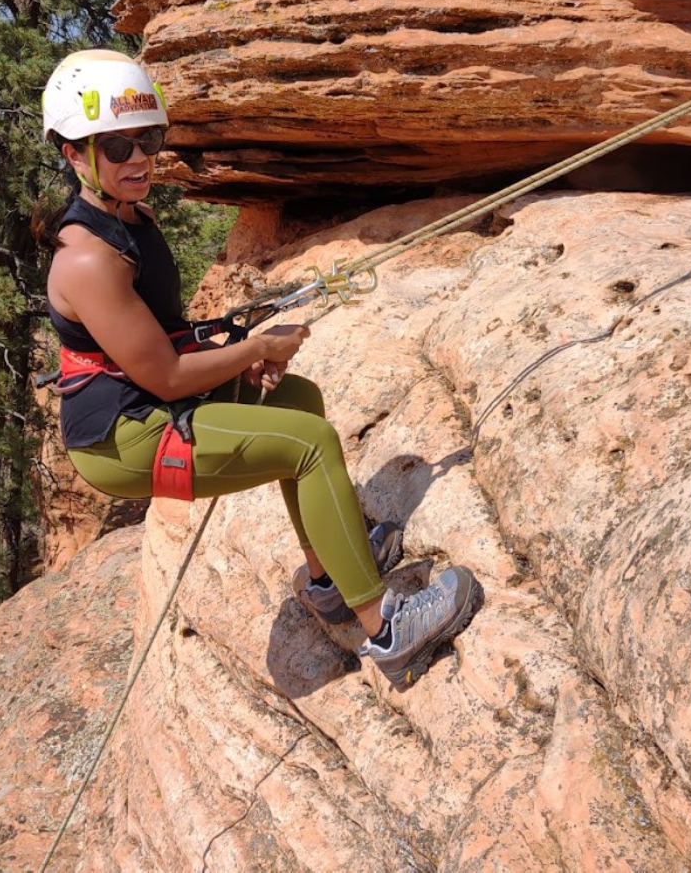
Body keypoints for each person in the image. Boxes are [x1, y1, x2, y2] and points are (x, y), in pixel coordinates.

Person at [37, 49, 482, 689]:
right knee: (310, 446)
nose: (139, 160)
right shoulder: (86, 259)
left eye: (149, 140)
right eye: (116, 147)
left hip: (141, 400)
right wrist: (254, 351)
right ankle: (387, 629)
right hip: (123, 439)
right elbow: (163, 376)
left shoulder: (130, 218)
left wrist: (241, 364)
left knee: (298, 400)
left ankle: (329, 581)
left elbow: (160, 342)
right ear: (73, 153)